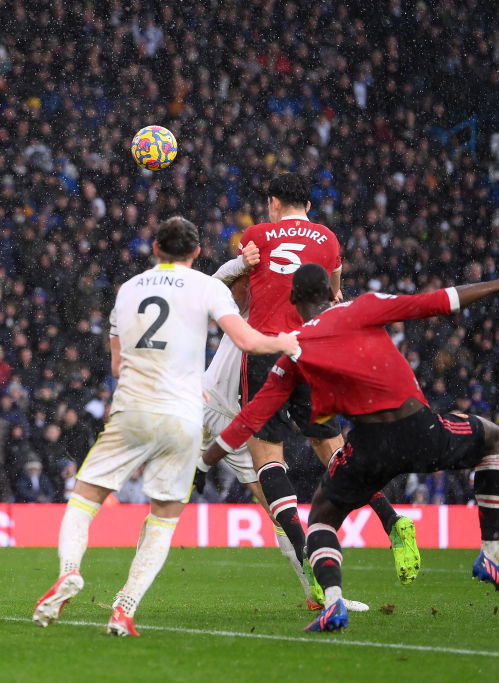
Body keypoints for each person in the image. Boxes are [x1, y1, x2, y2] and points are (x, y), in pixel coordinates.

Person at [203, 264, 499, 632]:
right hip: (418, 428)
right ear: (332, 292)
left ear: (293, 299)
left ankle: (333, 603)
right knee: (492, 437)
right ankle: (491, 552)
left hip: (368, 445)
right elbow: (439, 301)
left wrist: (205, 462)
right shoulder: (363, 306)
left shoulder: (294, 349)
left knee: (321, 517)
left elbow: (250, 419)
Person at [32, 217, 299, 637]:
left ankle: (69, 570)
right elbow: (247, 341)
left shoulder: (128, 290)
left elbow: (118, 365)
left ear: (154, 248)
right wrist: (284, 343)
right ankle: (124, 608)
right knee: (162, 520)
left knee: (84, 500)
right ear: (195, 253)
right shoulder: (207, 286)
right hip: (183, 415)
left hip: (132, 409)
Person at [234, 172, 417, 587]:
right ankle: (392, 521)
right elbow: (333, 295)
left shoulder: (257, 235)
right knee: (332, 447)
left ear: (273, 202)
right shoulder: (328, 239)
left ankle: (308, 561)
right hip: (313, 349)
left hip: (266, 349)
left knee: (266, 456)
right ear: (310, 207)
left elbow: (241, 299)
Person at [195, 247, 368, 612]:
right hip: (213, 409)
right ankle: (319, 589)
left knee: (275, 508)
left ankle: (315, 592)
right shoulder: (250, 313)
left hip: (223, 414)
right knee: (170, 499)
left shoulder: (285, 328)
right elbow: (211, 284)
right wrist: (241, 263)